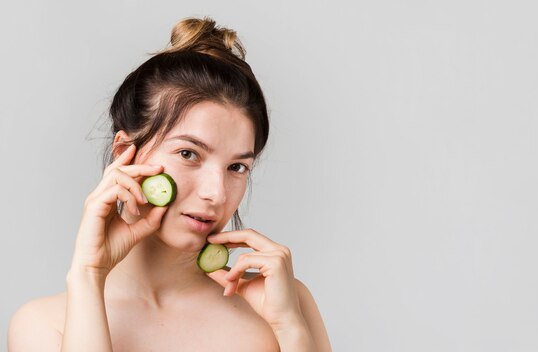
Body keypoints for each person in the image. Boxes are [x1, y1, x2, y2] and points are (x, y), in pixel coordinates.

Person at [8, 16, 332, 352]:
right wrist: (87, 274)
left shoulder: (286, 305)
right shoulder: (44, 324)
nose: (216, 193)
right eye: (189, 154)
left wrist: (290, 329)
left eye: (236, 166)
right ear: (125, 153)